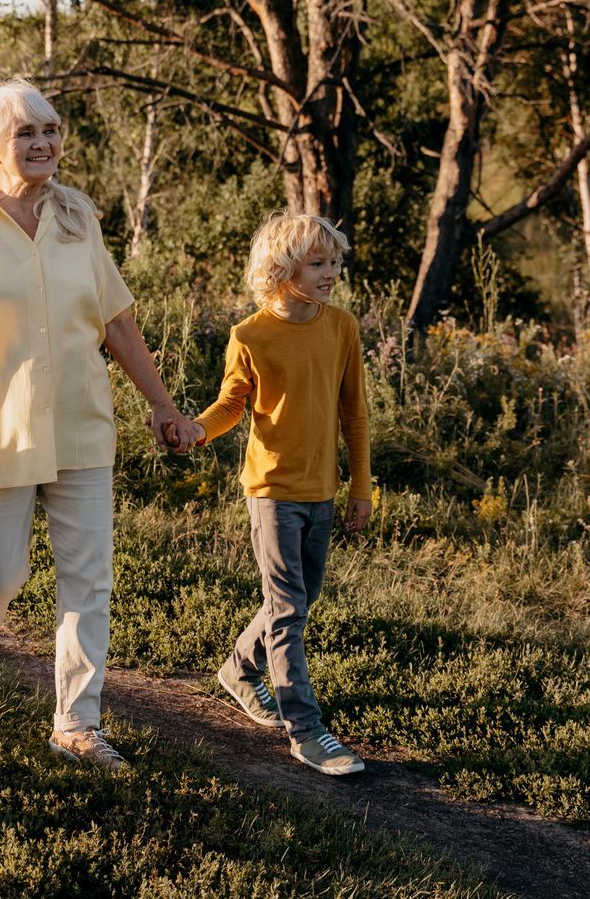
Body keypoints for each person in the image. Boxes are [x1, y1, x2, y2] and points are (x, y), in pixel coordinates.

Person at [0, 78, 192, 770]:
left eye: (52, 129)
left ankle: (76, 721)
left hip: (80, 424)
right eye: (26, 132)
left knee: (89, 579)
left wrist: (160, 403)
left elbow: (116, 319)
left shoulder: (78, 218)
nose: (43, 143)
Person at [185, 213, 373, 776]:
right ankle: (307, 731)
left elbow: (354, 413)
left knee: (298, 601)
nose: (330, 273)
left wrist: (360, 486)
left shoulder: (341, 326)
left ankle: (238, 670)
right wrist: (197, 429)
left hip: (323, 488)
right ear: (281, 268)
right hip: (270, 491)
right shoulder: (250, 336)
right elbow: (230, 406)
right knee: (289, 610)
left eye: (334, 263)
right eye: (318, 264)